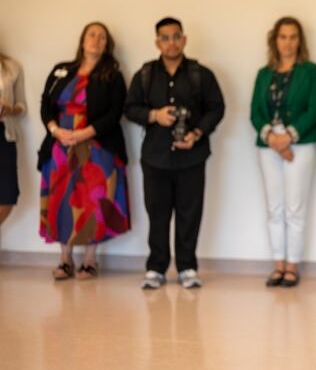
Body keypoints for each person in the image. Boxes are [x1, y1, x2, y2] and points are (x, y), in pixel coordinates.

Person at [125, 17, 225, 290]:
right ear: (157, 42)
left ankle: (187, 267)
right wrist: (153, 115)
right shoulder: (145, 75)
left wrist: (197, 133)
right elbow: (129, 108)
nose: (171, 42)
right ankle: (156, 268)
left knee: (189, 213)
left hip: (192, 156)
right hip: (155, 158)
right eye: (165, 37)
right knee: (157, 214)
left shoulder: (200, 74)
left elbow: (217, 108)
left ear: (184, 39)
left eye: (176, 36)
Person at [38, 22, 130, 280]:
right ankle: (64, 259)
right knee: (61, 201)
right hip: (59, 146)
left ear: (107, 45)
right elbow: (45, 104)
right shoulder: (61, 70)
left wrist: (83, 134)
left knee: (94, 201)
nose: (97, 40)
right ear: (82, 40)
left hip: (97, 146)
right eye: (92, 34)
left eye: (103, 37)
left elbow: (114, 113)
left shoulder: (112, 75)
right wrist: (56, 130)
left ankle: (90, 260)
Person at [250, 17, 316, 288]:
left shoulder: (311, 71)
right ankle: (277, 264)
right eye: (283, 37)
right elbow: (255, 112)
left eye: (293, 37)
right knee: (274, 208)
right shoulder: (264, 73)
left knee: (294, 207)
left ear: (300, 41)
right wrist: (273, 138)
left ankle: (292, 265)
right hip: (269, 146)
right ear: (275, 40)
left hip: (301, 145)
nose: (288, 43)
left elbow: (313, 109)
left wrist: (288, 138)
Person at [0, 53, 26, 226]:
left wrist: (9, 109)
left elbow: (21, 106)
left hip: (4, 134)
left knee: (7, 197)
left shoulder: (11, 68)